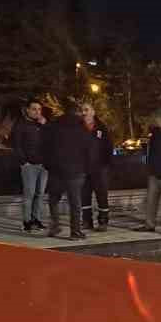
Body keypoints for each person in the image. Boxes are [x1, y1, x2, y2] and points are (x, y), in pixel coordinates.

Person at [45, 101, 95, 239]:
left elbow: (44, 146)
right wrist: (87, 167)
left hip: (56, 170)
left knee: (53, 199)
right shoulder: (81, 127)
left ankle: (55, 226)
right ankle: (75, 231)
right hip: (75, 170)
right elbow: (89, 149)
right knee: (75, 202)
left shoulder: (53, 126)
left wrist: (48, 164)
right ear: (77, 112)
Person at [10, 100, 49, 233]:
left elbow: (50, 141)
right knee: (29, 194)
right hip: (29, 166)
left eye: (39, 109)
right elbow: (16, 145)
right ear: (27, 110)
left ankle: (36, 220)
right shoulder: (20, 125)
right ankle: (26, 222)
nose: (37, 112)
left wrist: (45, 126)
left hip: (43, 165)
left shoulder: (42, 125)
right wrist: (24, 162)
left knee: (40, 194)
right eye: (34, 109)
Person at [81, 112, 115, 232]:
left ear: (93, 113)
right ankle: (86, 221)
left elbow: (109, 146)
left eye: (86, 109)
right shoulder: (78, 128)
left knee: (102, 195)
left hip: (100, 168)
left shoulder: (102, 128)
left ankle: (103, 221)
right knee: (84, 196)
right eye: (82, 110)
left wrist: (107, 163)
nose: (83, 112)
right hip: (84, 168)